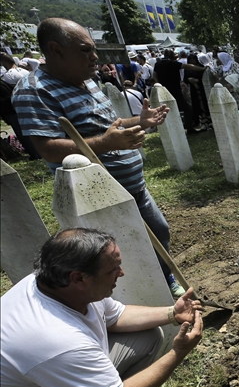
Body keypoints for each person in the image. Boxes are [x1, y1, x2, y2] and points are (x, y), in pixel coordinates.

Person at [0, 228, 204, 387]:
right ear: (79, 278)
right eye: (112, 270)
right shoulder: (56, 338)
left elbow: (115, 316)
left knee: (147, 336)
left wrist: (172, 314)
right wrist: (177, 352)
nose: (121, 273)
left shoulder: (53, 284)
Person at [12, 18, 186, 298]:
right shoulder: (34, 90)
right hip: (96, 197)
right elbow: (46, 147)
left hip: (132, 187)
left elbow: (108, 127)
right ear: (56, 50)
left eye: (93, 49)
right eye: (85, 50)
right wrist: (105, 143)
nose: (94, 57)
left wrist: (138, 121)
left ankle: (164, 278)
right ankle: (141, 296)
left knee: (158, 233)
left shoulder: (86, 81)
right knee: (116, 254)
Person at [153, 48, 207, 131]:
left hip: (163, 90)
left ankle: (172, 128)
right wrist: (202, 69)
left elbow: (154, 75)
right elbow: (188, 66)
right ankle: (189, 128)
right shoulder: (172, 63)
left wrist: (159, 85)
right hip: (175, 89)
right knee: (187, 108)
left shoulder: (158, 64)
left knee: (168, 109)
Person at [0, 53, 41, 160]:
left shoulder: (8, 76)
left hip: (19, 107)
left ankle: (35, 154)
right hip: (35, 103)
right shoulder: (25, 71)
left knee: (24, 134)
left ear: (3, 63)